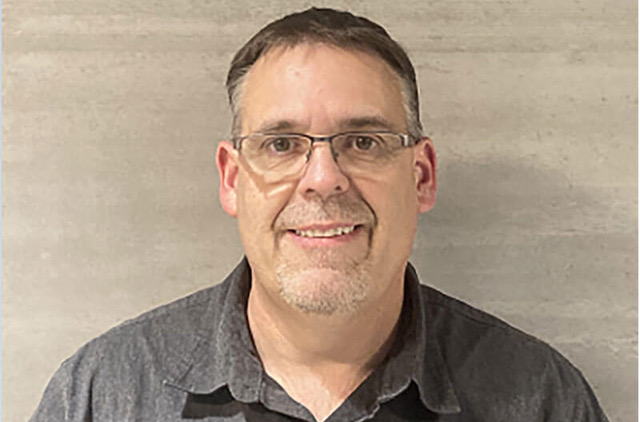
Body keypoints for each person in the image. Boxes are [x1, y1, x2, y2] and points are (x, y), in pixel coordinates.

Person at [31, 7, 609, 422]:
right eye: (281, 145)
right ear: (233, 179)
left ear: (422, 175)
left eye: (363, 141)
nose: (324, 177)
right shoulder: (100, 396)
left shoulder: (540, 399)